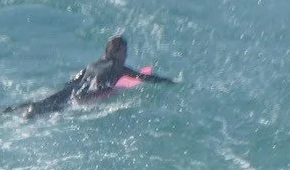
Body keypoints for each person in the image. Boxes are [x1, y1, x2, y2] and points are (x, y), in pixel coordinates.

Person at [12, 35, 172, 118]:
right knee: (54, 109)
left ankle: (15, 109)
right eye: (124, 51)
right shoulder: (118, 68)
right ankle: (32, 112)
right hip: (82, 94)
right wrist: (169, 82)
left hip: (72, 87)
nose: (126, 54)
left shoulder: (98, 62)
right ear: (116, 53)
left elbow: (80, 75)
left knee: (48, 102)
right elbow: (144, 78)